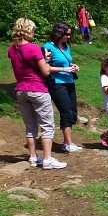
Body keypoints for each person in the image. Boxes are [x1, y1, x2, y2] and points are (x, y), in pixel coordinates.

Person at [7, 18, 67, 170]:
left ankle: (33, 157)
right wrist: (45, 61)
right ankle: (47, 159)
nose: (34, 33)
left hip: (21, 89)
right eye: (33, 30)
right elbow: (45, 71)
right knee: (47, 125)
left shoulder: (11, 49)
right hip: (37, 89)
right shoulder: (33, 48)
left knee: (30, 126)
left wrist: (43, 59)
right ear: (28, 31)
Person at [43, 22, 83, 153]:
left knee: (73, 112)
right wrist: (63, 69)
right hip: (57, 83)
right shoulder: (48, 47)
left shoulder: (66, 47)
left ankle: (67, 142)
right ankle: (67, 143)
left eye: (70, 34)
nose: (68, 37)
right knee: (65, 112)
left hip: (69, 81)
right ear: (58, 33)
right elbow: (45, 67)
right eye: (66, 34)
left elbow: (67, 61)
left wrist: (73, 66)